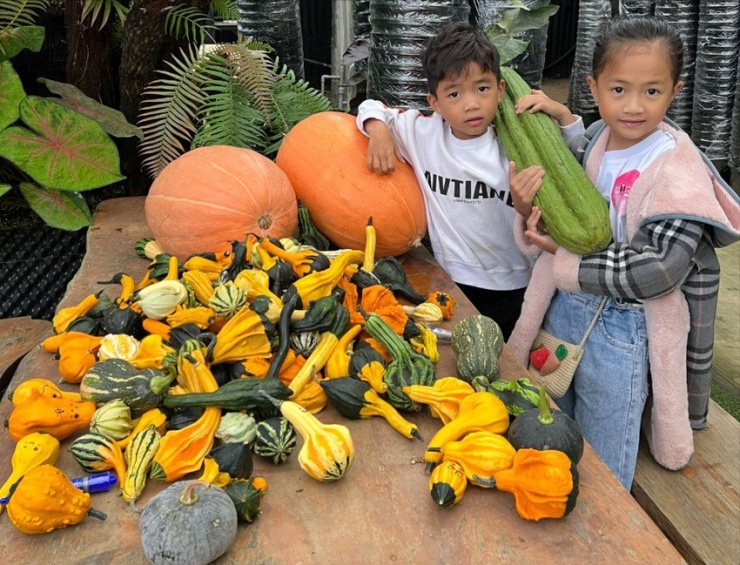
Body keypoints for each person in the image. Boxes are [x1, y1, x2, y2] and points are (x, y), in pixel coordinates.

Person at [506, 15, 740, 489]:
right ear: (593, 88)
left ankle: (604, 523)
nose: (633, 106)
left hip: (626, 327)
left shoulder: (678, 169)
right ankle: (545, 496)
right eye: (618, 90)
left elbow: (660, 270)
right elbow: (570, 200)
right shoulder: (597, 140)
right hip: (566, 310)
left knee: (603, 455)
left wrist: (565, 259)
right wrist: (529, 210)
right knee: (550, 416)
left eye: (651, 91)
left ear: (675, 92)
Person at [355, 22, 545, 339]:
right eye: (454, 94)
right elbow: (371, 106)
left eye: (482, 89)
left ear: (500, 90)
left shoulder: (515, 142)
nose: (471, 104)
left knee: (505, 356)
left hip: (512, 281)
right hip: (450, 278)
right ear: (435, 103)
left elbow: (563, 174)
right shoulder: (423, 134)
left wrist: (565, 119)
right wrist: (378, 129)